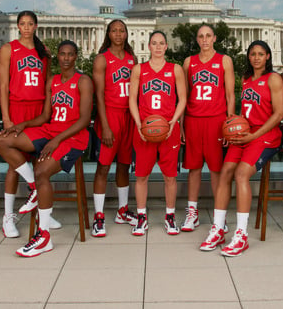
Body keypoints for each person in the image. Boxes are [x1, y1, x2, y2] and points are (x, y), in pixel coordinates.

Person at [0, 41, 93, 257]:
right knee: (2, 140)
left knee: (42, 171)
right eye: (62, 54)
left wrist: (57, 140)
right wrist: (24, 124)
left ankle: (44, 236)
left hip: (72, 137)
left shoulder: (83, 81)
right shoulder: (53, 81)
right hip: (50, 130)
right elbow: (45, 116)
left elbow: (85, 119)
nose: (66, 58)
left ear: (76, 57)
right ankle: (34, 187)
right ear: (57, 56)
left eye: (70, 55)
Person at [200, 40, 283, 256]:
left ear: (267, 56)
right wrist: (232, 131)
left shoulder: (273, 79)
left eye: (260, 54)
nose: (256, 57)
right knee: (224, 171)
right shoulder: (246, 79)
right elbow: (244, 112)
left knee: (240, 174)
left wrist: (255, 134)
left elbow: (279, 114)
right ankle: (218, 228)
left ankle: (241, 234)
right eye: (252, 53)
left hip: (265, 136)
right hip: (245, 133)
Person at [0, 10, 60, 237]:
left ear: (36, 26)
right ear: (17, 26)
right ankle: (8, 217)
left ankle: (44, 211)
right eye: (22, 23)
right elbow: (3, 86)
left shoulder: (44, 52)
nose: (26, 27)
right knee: (14, 164)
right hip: (17, 109)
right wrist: (6, 117)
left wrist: (49, 113)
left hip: (39, 110)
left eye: (30, 24)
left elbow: (48, 85)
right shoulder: (8, 49)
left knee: (39, 160)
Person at [128, 31, 186, 236]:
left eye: (162, 43)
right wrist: (138, 125)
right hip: (144, 130)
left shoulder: (175, 69)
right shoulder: (139, 70)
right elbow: (132, 100)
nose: (158, 47)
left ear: (166, 46)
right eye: (154, 43)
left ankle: (170, 216)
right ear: (149, 46)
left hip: (168, 129)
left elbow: (183, 100)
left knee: (170, 177)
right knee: (141, 176)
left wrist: (172, 122)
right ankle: (141, 217)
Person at [181, 24, 235, 232]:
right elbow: (184, 97)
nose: (204, 39)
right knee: (194, 169)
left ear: (214, 38)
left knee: (216, 170)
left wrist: (229, 124)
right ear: (197, 40)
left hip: (216, 120)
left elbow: (230, 95)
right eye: (201, 36)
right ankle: (192, 213)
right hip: (194, 119)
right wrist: (182, 124)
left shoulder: (224, 61)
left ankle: (219, 216)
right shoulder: (189, 62)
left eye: (208, 36)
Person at [90, 20, 137, 237]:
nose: (118, 34)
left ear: (126, 34)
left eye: (122, 30)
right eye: (114, 30)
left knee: (124, 165)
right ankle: (98, 216)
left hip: (129, 117)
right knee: (103, 167)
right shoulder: (102, 59)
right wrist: (105, 125)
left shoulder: (132, 60)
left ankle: (122, 210)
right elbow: (98, 95)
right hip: (110, 115)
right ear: (108, 34)